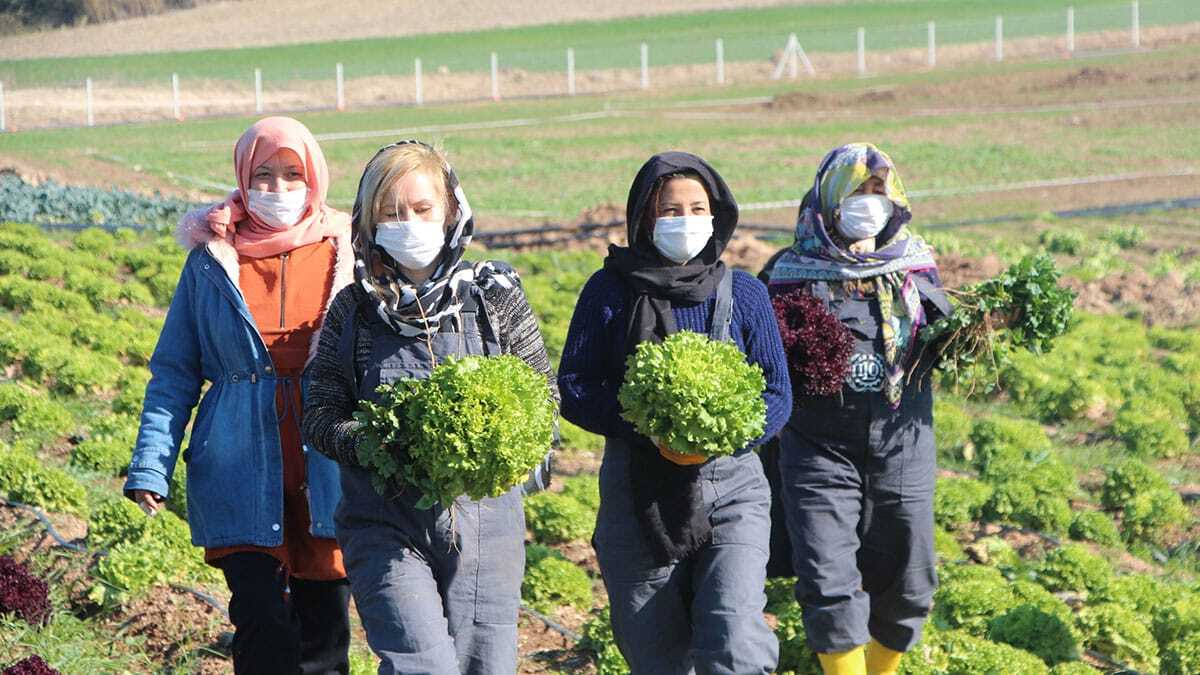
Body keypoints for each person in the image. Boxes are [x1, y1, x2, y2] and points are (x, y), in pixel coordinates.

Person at [302, 140, 557, 675]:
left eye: (422, 209)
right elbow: (320, 414)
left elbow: (543, 397)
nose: (409, 225)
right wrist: (378, 444)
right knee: (420, 664)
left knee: (485, 664)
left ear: (450, 211)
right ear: (369, 222)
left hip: (486, 524)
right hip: (384, 523)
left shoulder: (492, 296)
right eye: (392, 214)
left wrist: (498, 448)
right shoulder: (355, 309)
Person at [124, 116, 354, 674]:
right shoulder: (211, 261)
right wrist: (152, 464)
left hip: (326, 463)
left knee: (325, 633)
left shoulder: (349, 254)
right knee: (260, 619)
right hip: (238, 462)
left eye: (292, 174)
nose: (277, 188)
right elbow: (175, 372)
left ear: (314, 177)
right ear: (243, 178)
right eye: (263, 175)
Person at [557, 152, 792, 674]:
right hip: (637, 491)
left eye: (697, 208)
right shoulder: (609, 292)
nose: (685, 221)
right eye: (670, 211)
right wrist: (647, 424)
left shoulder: (745, 294)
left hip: (731, 486)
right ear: (645, 217)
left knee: (733, 634)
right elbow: (574, 384)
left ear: (716, 214)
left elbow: (777, 393)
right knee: (654, 652)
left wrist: (722, 436)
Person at [765, 143, 953, 675]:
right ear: (829, 198)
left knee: (911, 579)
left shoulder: (916, 269)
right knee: (827, 578)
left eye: (877, 190)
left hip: (903, 446)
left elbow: (939, 343)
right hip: (817, 450)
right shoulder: (787, 274)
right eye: (856, 191)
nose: (869, 202)